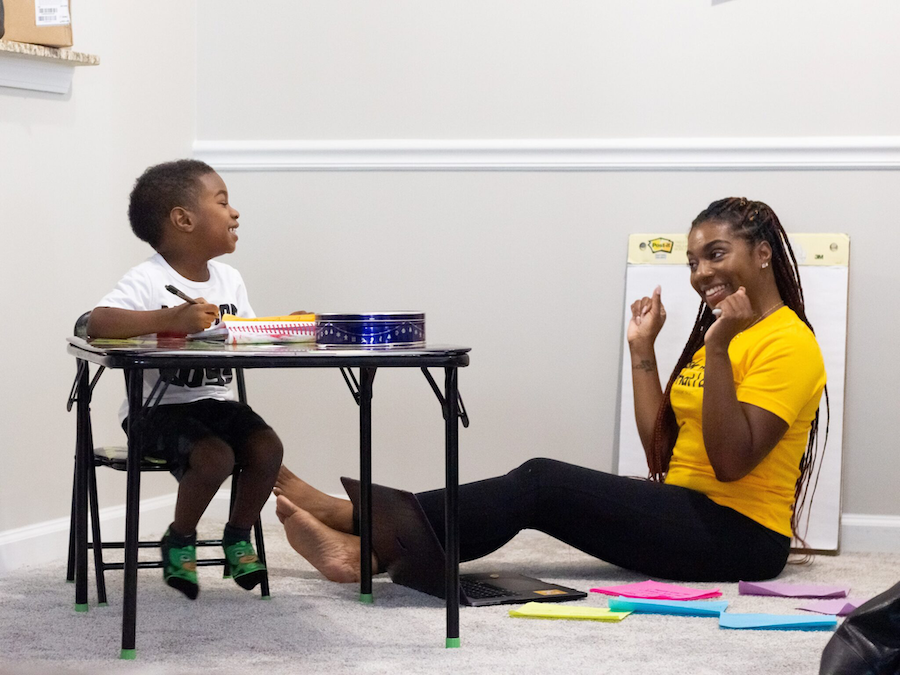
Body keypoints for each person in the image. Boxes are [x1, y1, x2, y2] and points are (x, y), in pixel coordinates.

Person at [273, 197, 826, 583]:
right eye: (692, 260)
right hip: (689, 511)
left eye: (716, 254)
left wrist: (723, 347)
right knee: (540, 490)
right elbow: (662, 452)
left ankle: (360, 534)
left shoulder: (787, 343)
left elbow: (731, 465)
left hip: (741, 538)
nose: (701, 272)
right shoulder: (724, 337)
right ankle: (362, 534)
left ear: (762, 253)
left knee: (541, 481)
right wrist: (642, 351)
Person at [87, 159, 284, 599]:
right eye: (223, 202)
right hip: (157, 411)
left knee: (267, 447)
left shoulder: (230, 280)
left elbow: (246, 337)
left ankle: (237, 536)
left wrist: (277, 330)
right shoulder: (148, 278)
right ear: (184, 219)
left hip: (217, 405)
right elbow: (97, 321)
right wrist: (172, 318)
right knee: (214, 458)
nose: (235, 213)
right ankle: (180, 537)